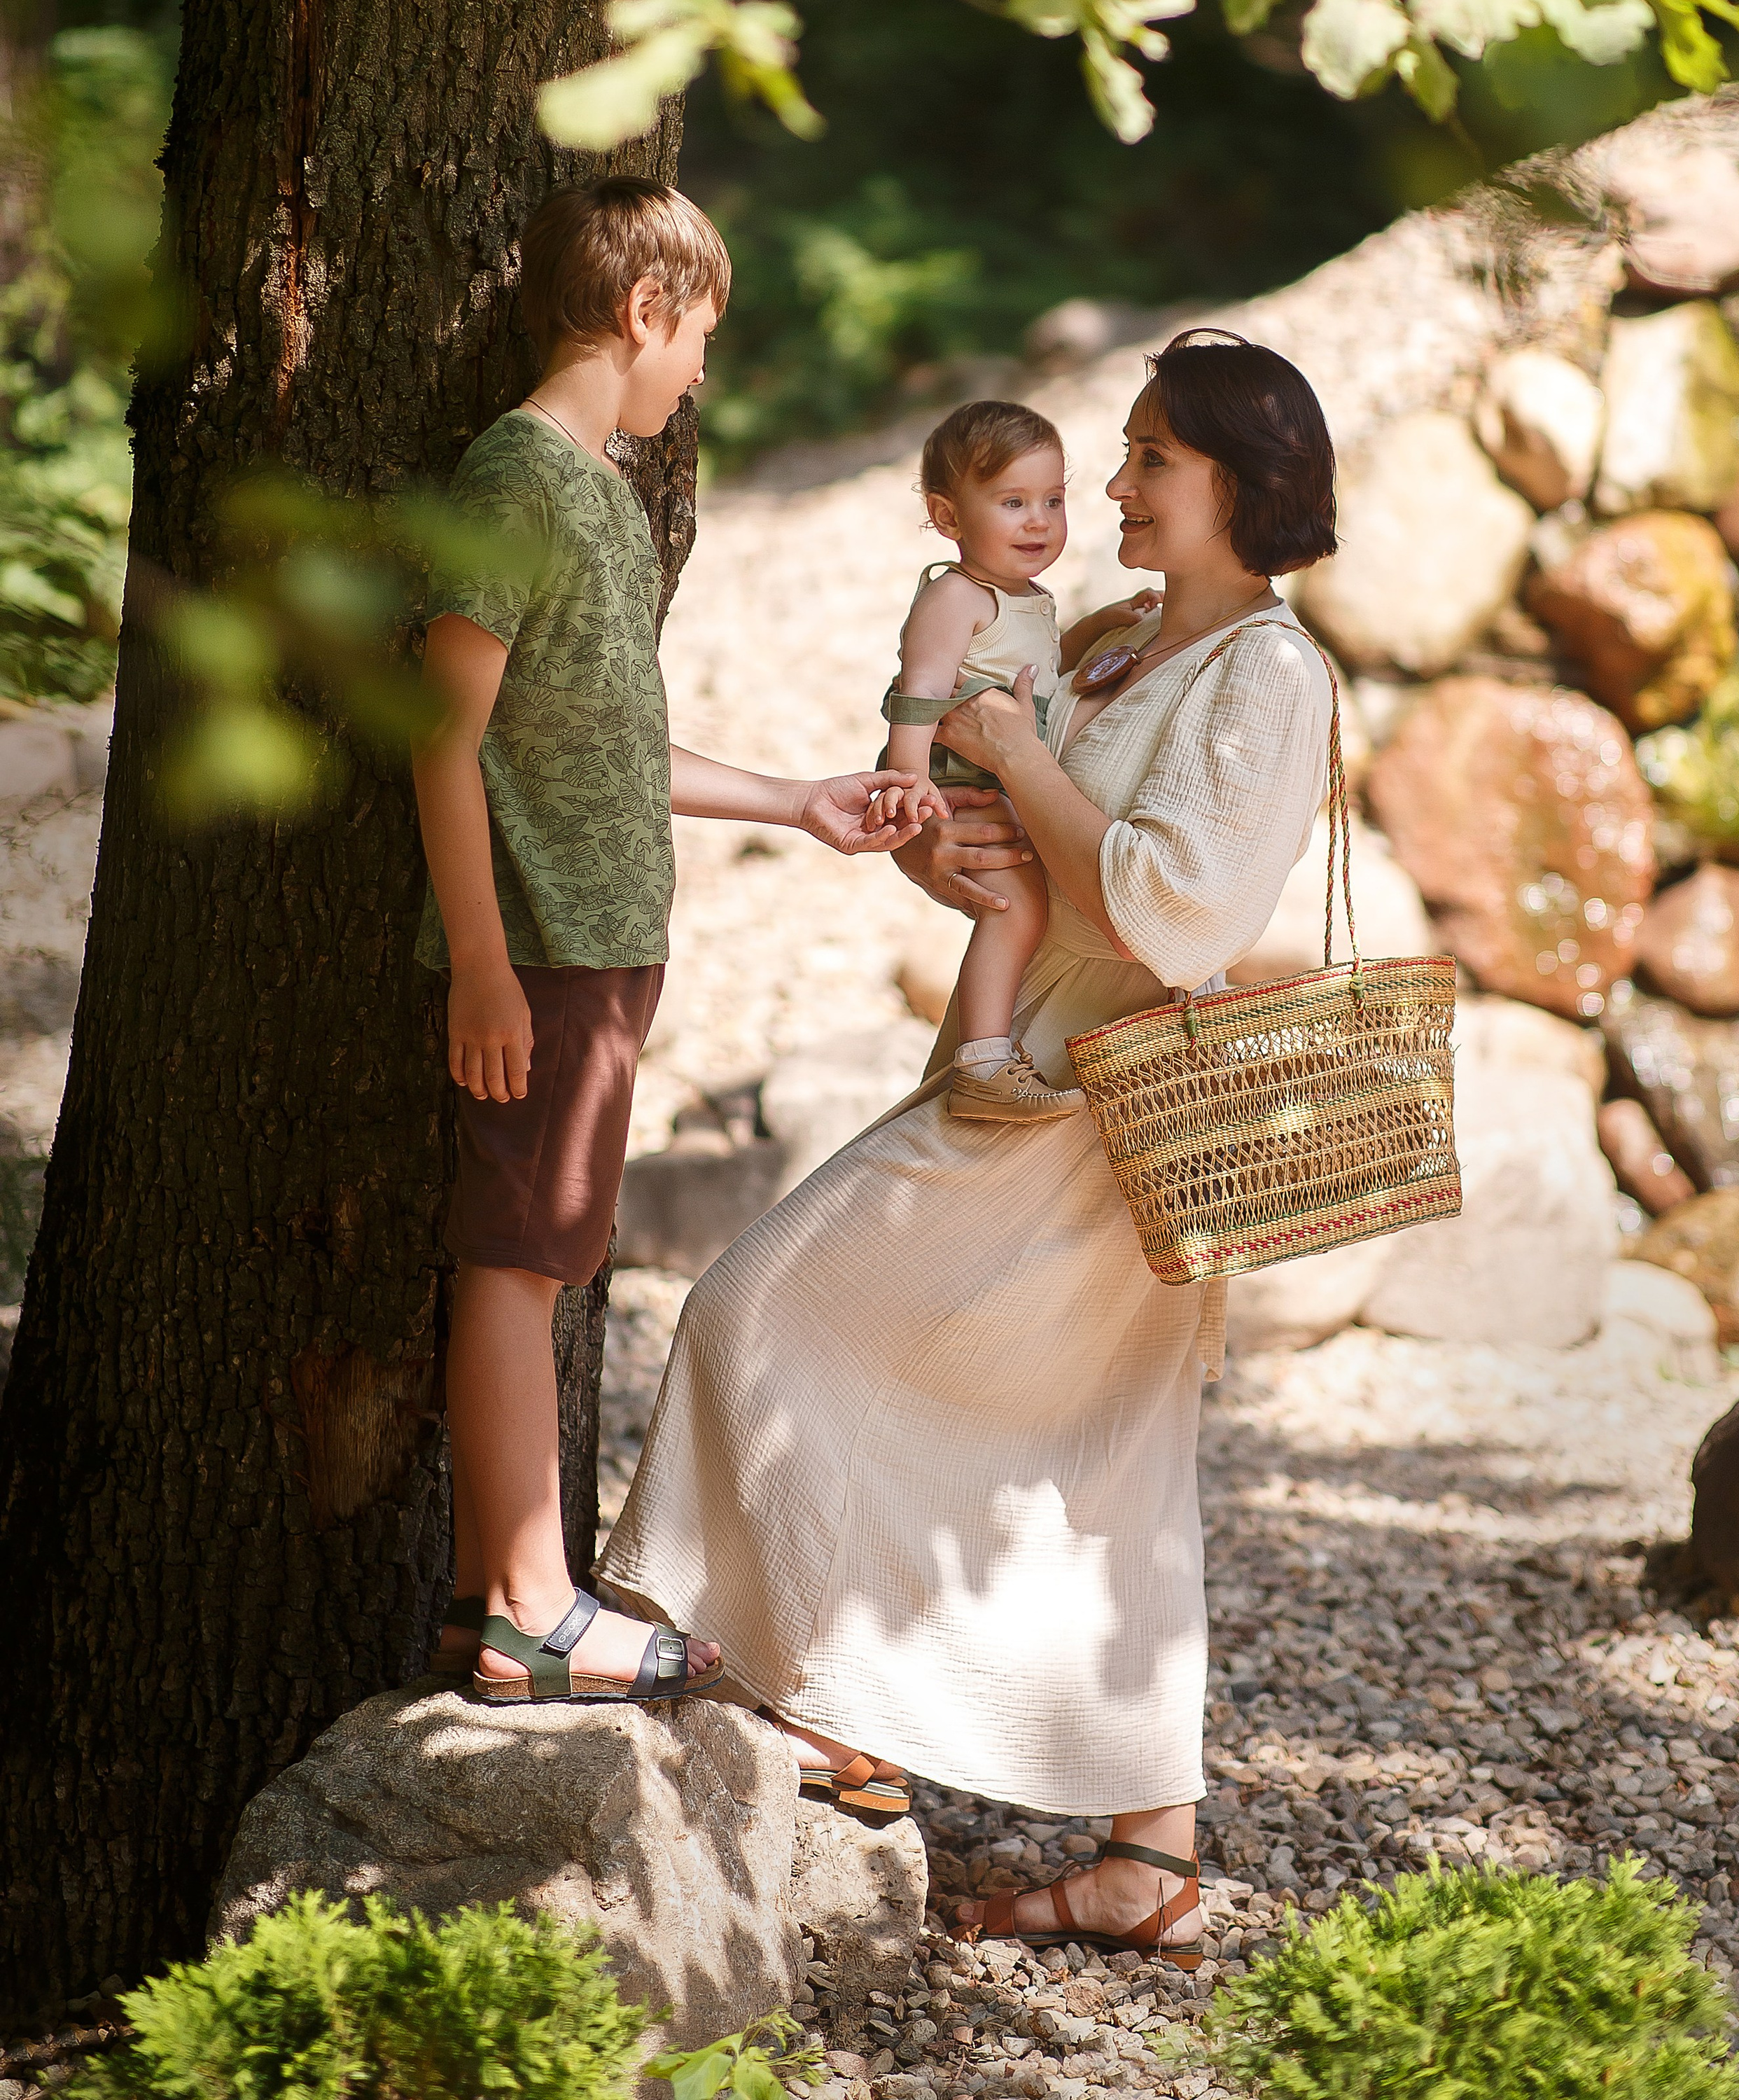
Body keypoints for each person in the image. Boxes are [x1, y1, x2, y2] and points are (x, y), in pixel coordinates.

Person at [599, 328, 1339, 1950]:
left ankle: (826, 1704)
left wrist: (1006, 755)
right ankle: (1141, 1852)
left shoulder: (1272, 674)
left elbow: (1170, 904)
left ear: (1239, 482)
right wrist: (935, 828)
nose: (1120, 481)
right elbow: (997, 844)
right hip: (1011, 1060)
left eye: (1150, 456)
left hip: (1103, 1101)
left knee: (767, 1309)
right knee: (1098, 1459)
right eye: (1127, 453)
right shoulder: (1115, 634)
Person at [411, 176, 920, 1706]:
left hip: (601, 957)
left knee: (548, 1255)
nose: (699, 370)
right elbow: (445, 743)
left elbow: (614, 747)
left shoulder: (599, 493)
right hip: (544, 956)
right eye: (697, 335)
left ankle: (498, 1594)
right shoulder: (518, 482)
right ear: (644, 310)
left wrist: (796, 801)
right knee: (517, 1265)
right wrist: (487, 963)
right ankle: (523, 1608)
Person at [874, 398, 1156, 1122]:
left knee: (1026, 903)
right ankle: (983, 1062)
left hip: (1005, 777)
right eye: (1012, 502)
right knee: (1016, 906)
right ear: (948, 517)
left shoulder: (1026, 596)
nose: (1039, 520)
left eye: (1053, 500)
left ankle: (991, 1050)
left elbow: (1043, 668)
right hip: (961, 784)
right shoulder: (955, 594)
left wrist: (1098, 624)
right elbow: (920, 694)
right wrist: (906, 786)